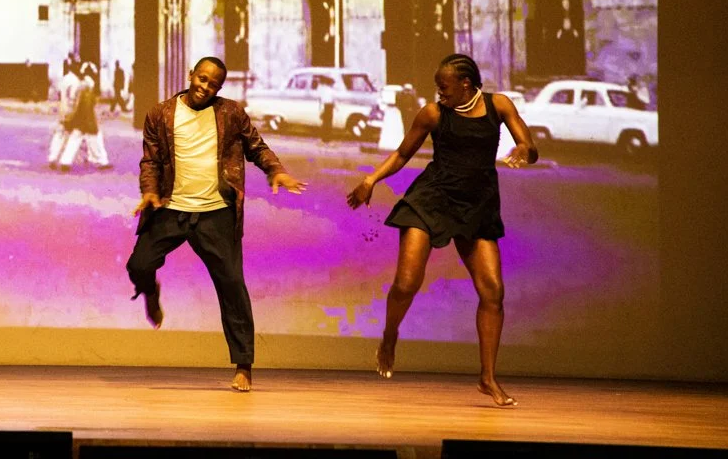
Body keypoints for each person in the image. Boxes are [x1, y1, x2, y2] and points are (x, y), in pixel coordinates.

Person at [347, 54, 537, 407]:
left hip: (477, 205)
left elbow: (530, 146)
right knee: (406, 282)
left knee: (493, 291)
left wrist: (524, 148)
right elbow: (403, 154)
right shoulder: (434, 114)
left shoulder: (499, 105)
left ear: (466, 83)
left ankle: (487, 378)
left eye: (444, 87)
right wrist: (371, 179)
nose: (439, 93)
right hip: (431, 199)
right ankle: (390, 336)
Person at [127, 56, 306, 392]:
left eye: (213, 84)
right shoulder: (161, 113)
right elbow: (150, 160)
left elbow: (257, 146)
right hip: (171, 207)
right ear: (191, 75)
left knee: (232, 286)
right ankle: (150, 291)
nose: (205, 87)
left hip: (216, 212)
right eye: (202, 79)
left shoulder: (230, 113)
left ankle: (243, 365)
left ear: (219, 89)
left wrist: (275, 169)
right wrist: (150, 192)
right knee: (139, 264)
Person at [58, 69, 112, 171]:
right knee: (96, 140)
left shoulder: (80, 90)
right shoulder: (87, 91)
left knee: (74, 140)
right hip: (88, 121)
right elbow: (88, 110)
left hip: (80, 121)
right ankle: (102, 161)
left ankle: (65, 162)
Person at [48, 57, 81, 168]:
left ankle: (52, 157)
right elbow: (72, 98)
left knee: (60, 134)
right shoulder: (75, 81)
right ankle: (66, 161)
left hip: (62, 109)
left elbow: (57, 94)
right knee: (75, 135)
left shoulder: (64, 79)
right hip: (70, 111)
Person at [314, 76, 335, 143]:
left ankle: (324, 138)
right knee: (328, 123)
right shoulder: (329, 90)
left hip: (325, 105)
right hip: (329, 106)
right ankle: (327, 139)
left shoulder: (322, 89)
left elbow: (320, 98)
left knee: (324, 123)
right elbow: (332, 99)